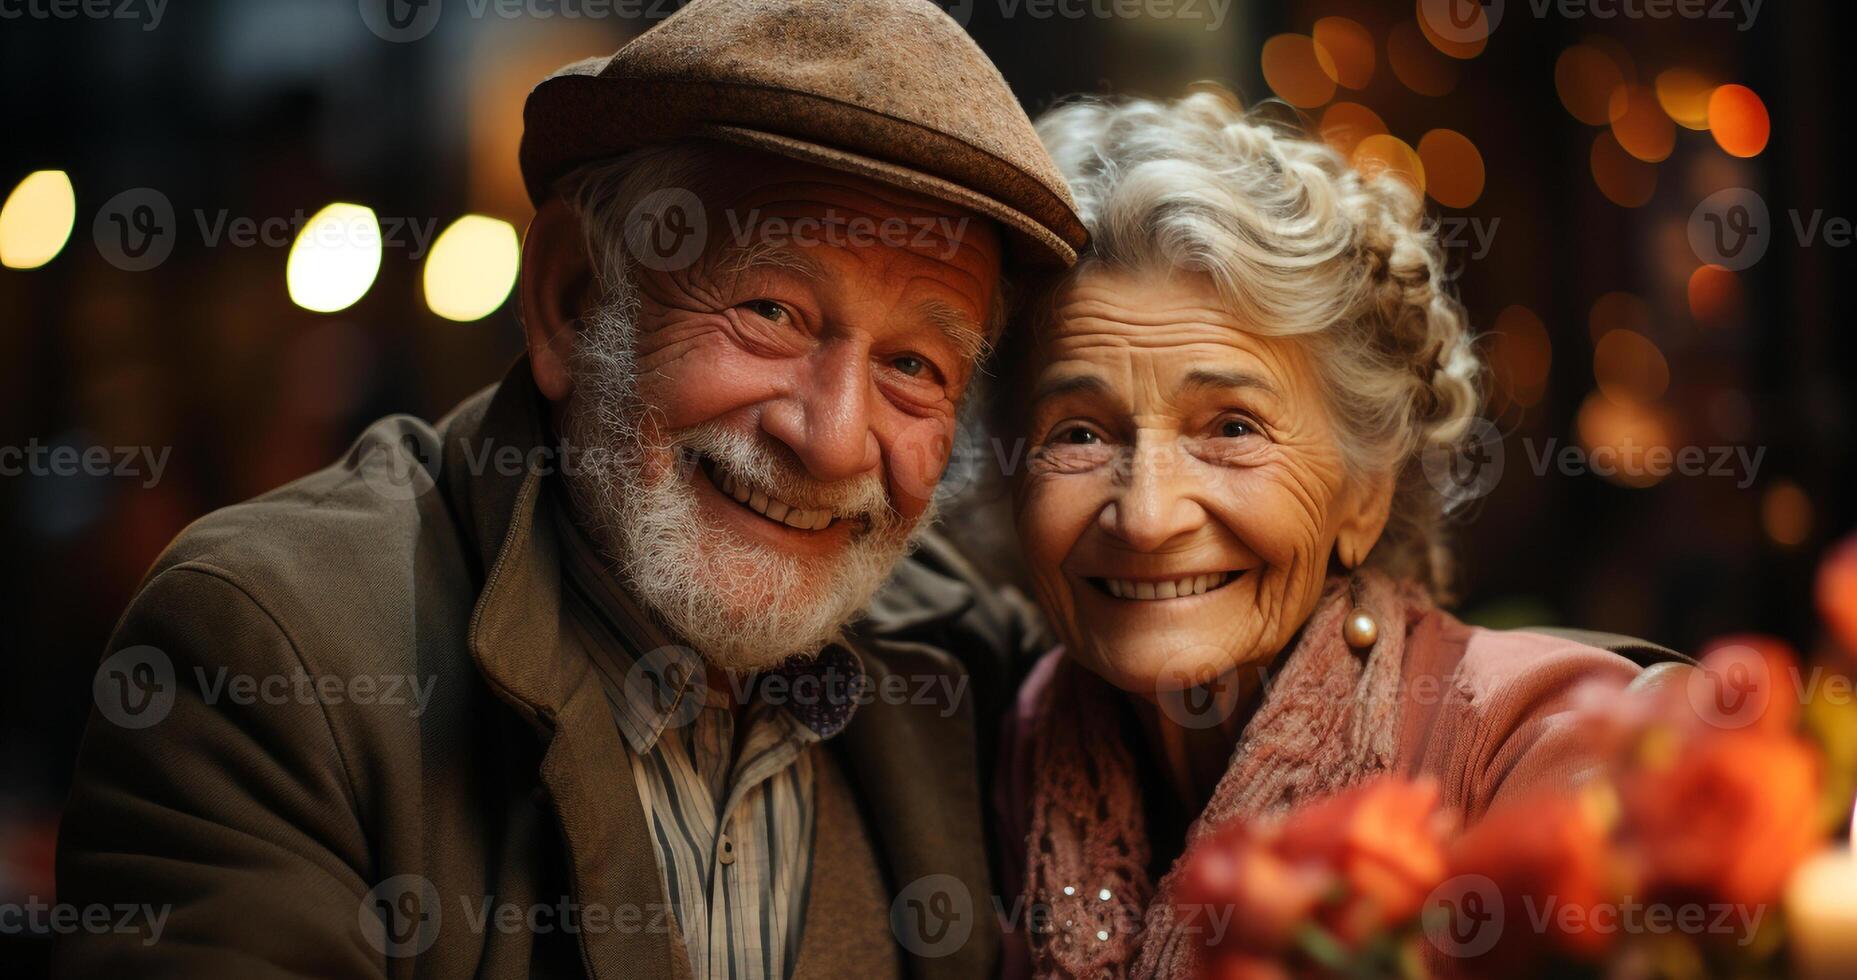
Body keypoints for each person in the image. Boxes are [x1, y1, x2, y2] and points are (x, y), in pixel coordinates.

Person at [56, 2, 1086, 977]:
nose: (829, 440)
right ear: (571, 300)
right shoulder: (276, 652)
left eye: (915, 366)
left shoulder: (980, 675)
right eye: (769, 308)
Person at [988, 91, 1687, 978]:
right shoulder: (1026, 744)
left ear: (1365, 491)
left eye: (1232, 428)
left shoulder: (1552, 747)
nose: (1148, 516)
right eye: (1079, 434)